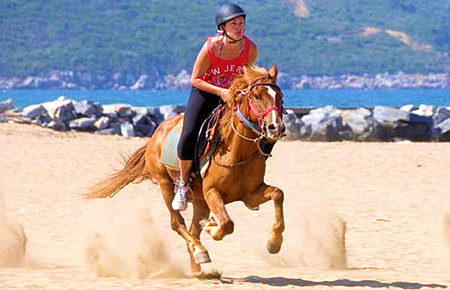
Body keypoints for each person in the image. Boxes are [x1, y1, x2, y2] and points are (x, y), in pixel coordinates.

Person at [172, 3, 258, 211]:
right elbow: (195, 79)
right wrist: (220, 91)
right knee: (189, 134)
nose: (239, 27)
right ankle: (183, 185)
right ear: (222, 27)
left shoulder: (250, 48)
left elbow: (247, 76)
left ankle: (251, 183)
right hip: (205, 93)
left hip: (231, 95)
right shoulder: (210, 47)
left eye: (242, 23)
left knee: (255, 128)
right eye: (234, 24)